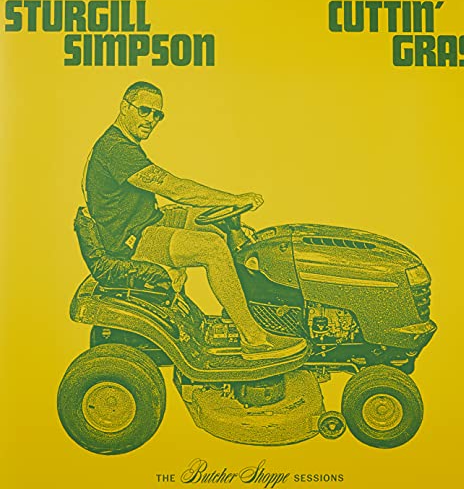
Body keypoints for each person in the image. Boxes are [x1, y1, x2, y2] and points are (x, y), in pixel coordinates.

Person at [84, 81, 306, 361]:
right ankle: (254, 338)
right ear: (124, 107)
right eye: (144, 111)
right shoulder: (115, 149)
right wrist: (233, 199)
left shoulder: (124, 143)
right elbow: (176, 189)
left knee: (213, 222)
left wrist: (226, 209)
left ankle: (242, 308)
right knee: (212, 248)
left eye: (157, 114)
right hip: (130, 241)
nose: (151, 119)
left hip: (146, 222)